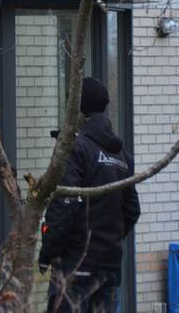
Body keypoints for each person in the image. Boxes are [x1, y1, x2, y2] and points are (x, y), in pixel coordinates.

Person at [39, 77, 140, 313]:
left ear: (78, 109)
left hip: (75, 267)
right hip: (109, 268)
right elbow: (132, 210)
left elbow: (65, 204)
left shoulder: (76, 148)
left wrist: (48, 252)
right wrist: (107, 240)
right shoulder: (121, 155)